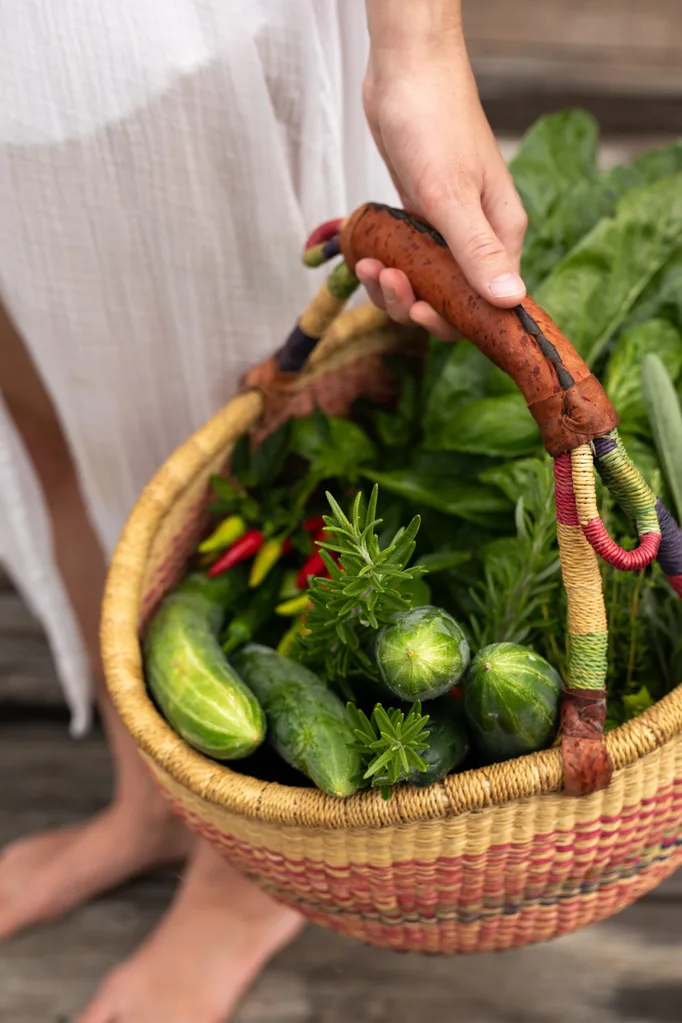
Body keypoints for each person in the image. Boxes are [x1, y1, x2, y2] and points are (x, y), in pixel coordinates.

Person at [0, 2, 527, 1020]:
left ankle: (247, 880)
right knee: (47, 423)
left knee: (235, 445)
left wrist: (419, 49)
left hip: (140, 43)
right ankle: (148, 802)